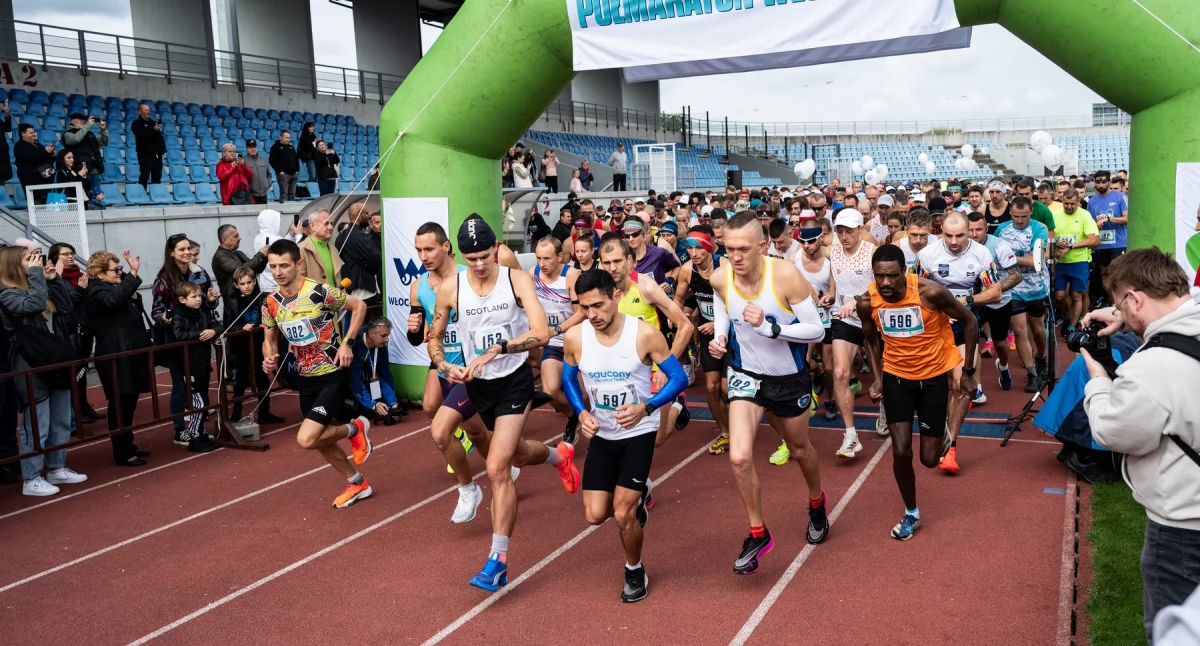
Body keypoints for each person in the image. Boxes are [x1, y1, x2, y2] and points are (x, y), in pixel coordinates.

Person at [427, 215, 579, 591]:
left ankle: (498, 561)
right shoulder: (451, 287)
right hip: (473, 379)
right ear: (461, 255)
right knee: (508, 454)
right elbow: (435, 335)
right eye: (472, 258)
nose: (479, 265)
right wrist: (445, 365)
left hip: (511, 380)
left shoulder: (516, 279)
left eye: (485, 256)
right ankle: (559, 456)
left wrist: (500, 348)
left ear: (496, 249)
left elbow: (541, 332)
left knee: (497, 468)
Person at [1078, 248, 1200, 640]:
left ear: (1135, 298)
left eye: (1120, 304)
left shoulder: (1150, 367)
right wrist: (1121, 316)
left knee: (1173, 631)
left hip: (1183, 525)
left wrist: (1097, 380)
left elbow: (1113, 432)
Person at [708, 211, 830, 574]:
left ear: (762, 246)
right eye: (729, 249)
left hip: (788, 379)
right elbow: (721, 305)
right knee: (740, 457)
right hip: (746, 376)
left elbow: (818, 331)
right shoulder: (721, 275)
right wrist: (720, 335)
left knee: (798, 449)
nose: (736, 258)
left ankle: (816, 501)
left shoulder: (786, 275)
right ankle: (757, 532)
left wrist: (771, 328)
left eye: (744, 249)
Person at [563, 268, 689, 603]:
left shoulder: (645, 335)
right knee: (593, 515)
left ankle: (634, 569)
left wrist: (646, 409)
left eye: (598, 306)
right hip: (602, 435)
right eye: (585, 307)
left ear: (617, 296)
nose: (592, 315)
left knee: (622, 515)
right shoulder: (577, 337)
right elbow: (567, 377)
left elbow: (678, 380)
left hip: (638, 432)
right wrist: (581, 413)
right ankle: (637, 506)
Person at [858, 244, 976, 540]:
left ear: (905, 272)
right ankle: (911, 512)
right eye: (879, 276)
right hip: (896, 379)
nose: (885, 283)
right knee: (899, 450)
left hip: (933, 380)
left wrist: (969, 373)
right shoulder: (867, 302)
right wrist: (876, 377)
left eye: (892, 276)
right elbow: (870, 341)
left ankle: (943, 434)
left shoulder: (930, 293)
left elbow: (970, 321)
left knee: (928, 459)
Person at [261, 239, 372, 508]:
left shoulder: (320, 292)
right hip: (305, 377)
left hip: (332, 372)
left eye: (284, 266)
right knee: (321, 440)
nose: (278, 272)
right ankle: (357, 482)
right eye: (273, 266)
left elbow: (360, 307)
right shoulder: (271, 302)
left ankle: (354, 429)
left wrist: (347, 342)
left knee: (307, 438)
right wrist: (268, 357)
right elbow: (270, 338)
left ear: (298, 264)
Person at [407, 222, 494, 523]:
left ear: (446, 247)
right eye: (419, 250)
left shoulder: (468, 277)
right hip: (443, 362)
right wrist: (414, 329)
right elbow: (419, 336)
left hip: (472, 366)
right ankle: (505, 466)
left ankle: (468, 489)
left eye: (429, 248)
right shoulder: (418, 286)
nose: (424, 255)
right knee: (474, 430)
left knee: (440, 431)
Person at [913, 212, 1002, 473]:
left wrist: (967, 302)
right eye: (948, 236)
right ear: (940, 232)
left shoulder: (981, 254)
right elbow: (912, 287)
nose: (954, 241)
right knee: (930, 385)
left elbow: (995, 292)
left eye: (960, 236)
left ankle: (951, 448)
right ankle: (938, 427)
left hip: (966, 323)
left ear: (970, 233)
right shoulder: (927, 255)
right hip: (933, 325)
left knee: (962, 384)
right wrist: (939, 308)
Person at [0, 245, 87, 496]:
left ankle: (56, 466)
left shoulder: (38, 283)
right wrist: (38, 275)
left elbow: (65, 308)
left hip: (53, 357)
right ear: (13, 266)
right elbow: (35, 304)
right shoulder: (7, 294)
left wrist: (53, 279)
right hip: (28, 363)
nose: (36, 263)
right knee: (38, 423)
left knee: (61, 418)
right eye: (29, 260)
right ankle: (30, 477)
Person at [597, 237, 694, 451]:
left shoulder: (646, 287)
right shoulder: (600, 291)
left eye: (617, 261)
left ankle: (678, 403)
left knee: (658, 439)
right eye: (606, 263)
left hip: (653, 367)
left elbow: (685, 326)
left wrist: (666, 367)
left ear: (630, 261)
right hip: (621, 368)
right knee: (621, 429)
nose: (612, 268)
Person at [152, 234, 220, 444]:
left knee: (200, 381)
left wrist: (210, 301)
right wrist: (164, 318)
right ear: (172, 253)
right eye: (181, 249)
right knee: (180, 384)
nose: (187, 252)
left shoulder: (200, 273)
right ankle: (179, 429)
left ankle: (198, 426)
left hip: (200, 337)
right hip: (176, 338)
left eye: (188, 248)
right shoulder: (163, 279)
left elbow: (209, 304)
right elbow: (156, 310)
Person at [673, 225, 732, 455]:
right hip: (708, 333)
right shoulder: (687, 270)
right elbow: (678, 298)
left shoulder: (725, 266)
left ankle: (744, 416)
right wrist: (678, 318)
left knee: (729, 388)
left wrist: (718, 323)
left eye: (699, 248)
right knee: (711, 386)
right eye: (690, 248)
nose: (694, 253)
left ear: (709, 247)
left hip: (732, 331)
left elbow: (738, 302)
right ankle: (726, 433)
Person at [829, 208, 875, 457]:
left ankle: (886, 411)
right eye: (840, 231)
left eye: (849, 231)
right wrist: (830, 294)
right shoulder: (834, 250)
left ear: (860, 229)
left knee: (885, 376)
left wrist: (856, 301)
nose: (844, 236)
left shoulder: (871, 253)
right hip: (845, 320)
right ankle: (850, 435)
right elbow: (835, 277)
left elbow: (881, 287)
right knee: (839, 374)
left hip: (872, 319)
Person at [529, 236, 583, 442]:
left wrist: (558, 329)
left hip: (577, 343)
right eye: (538, 258)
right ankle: (574, 415)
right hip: (552, 344)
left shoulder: (571, 275)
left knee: (586, 395)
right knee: (550, 391)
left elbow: (582, 313)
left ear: (560, 257)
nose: (542, 264)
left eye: (547, 259)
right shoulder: (532, 275)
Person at [996, 196, 1051, 393]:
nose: (1019, 220)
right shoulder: (1001, 229)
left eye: (1024, 217)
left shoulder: (1039, 228)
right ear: (1010, 212)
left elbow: (1038, 260)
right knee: (1019, 330)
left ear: (1031, 213)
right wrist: (1021, 259)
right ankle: (1032, 373)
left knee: (1037, 330)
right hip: (1014, 288)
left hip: (1036, 286)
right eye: (1016, 216)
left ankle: (1041, 357)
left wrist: (1010, 258)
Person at [966, 212, 1022, 394]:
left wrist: (993, 291)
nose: (974, 234)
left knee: (1000, 343)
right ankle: (977, 387)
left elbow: (1016, 276)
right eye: (970, 230)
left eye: (978, 230)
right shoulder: (960, 246)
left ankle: (1003, 367)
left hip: (999, 301)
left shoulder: (1000, 246)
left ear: (986, 228)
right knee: (972, 341)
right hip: (974, 302)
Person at [170, 282, 221, 452]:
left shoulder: (202, 313)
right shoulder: (178, 315)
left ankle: (201, 433)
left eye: (200, 296)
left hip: (203, 362)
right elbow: (178, 335)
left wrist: (213, 332)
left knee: (205, 401)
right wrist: (200, 335)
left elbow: (218, 324)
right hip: (189, 364)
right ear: (182, 299)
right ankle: (195, 436)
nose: (199, 299)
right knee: (198, 402)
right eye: (194, 297)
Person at [224, 266, 277, 424]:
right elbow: (228, 324)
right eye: (242, 283)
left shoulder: (263, 298)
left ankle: (264, 413)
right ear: (236, 285)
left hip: (260, 344)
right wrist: (241, 327)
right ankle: (236, 413)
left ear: (255, 281)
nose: (247, 286)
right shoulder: (232, 301)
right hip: (241, 347)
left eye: (249, 282)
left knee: (262, 379)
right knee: (240, 380)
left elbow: (271, 317)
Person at [1053, 188, 1101, 334]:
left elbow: (1094, 240)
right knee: (1059, 296)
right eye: (1066, 203)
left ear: (1078, 202)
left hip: (1079, 261)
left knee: (1076, 295)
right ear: (1062, 201)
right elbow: (1046, 236)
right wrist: (1055, 242)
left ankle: (1073, 326)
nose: (1068, 206)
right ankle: (1068, 316)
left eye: (1072, 204)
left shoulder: (1085, 216)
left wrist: (1071, 246)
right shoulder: (1054, 216)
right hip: (1060, 262)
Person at [348, 316, 404, 423]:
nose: (387, 340)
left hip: (366, 383)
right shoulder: (354, 345)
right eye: (383, 336)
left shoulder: (381, 348)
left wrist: (393, 404)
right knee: (364, 412)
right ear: (371, 333)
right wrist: (372, 404)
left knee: (384, 408)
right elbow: (354, 380)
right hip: (349, 385)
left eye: (388, 336)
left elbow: (385, 376)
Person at [1087, 170, 1129, 308]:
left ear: (1109, 182)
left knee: (1118, 275)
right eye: (1098, 182)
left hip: (1118, 243)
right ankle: (1113, 304)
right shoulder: (1092, 201)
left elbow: (1127, 218)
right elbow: (1089, 225)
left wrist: (1109, 219)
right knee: (1105, 275)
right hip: (1101, 245)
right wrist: (1095, 225)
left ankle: (1122, 305)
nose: (1100, 184)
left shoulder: (1119, 197)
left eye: (1103, 181)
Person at [61, 113, 107, 194]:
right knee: (82, 195)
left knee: (96, 197)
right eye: (80, 119)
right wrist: (87, 125)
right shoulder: (68, 133)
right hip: (80, 170)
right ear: (73, 121)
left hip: (95, 170)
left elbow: (104, 142)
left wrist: (103, 130)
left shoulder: (89, 133)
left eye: (84, 120)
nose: (83, 121)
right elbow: (75, 139)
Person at [298, 210, 343, 288]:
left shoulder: (333, 249)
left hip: (336, 299)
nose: (330, 227)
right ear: (312, 226)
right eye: (326, 223)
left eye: (331, 223)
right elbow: (297, 282)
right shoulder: (301, 249)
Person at [13, 123, 56, 200]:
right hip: (32, 180)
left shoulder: (37, 144)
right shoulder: (19, 145)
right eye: (31, 133)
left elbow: (44, 158)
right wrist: (46, 152)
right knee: (36, 201)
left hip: (45, 179)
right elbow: (30, 158)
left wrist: (51, 155)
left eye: (34, 132)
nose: (34, 134)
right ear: (23, 134)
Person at [129, 103, 165, 189]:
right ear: (139, 112)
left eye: (149, 110)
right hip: (144, 153)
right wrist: (153, 130)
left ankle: (157, 194)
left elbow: (158, 138)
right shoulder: (136, 123)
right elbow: (141, 135)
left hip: (156, 154)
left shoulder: (153, 123)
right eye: (146, 110)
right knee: (145, 174)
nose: (148, 112)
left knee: (157, 174)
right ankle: (141, 193)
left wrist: (162, 150)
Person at [269, 130, 299, 202]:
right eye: (286, 137)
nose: (288, 139)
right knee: (284, 194)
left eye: (289, 138)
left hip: (294, 174)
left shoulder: (291, 147)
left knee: (292, 194)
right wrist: (279, 171)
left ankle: (291, 210)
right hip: (283, 174)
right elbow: (272, 161)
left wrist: (297, 170)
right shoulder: (275, 147)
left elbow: (296, 159)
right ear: (281, 137)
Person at [243, 139, 272, 204]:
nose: (253, 149)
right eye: (250, 147)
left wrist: (268, 184)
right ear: (246, 149)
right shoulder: (243, 161)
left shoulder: (263, 159)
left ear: (257, 148)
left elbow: (269, 174)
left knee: (264, 213)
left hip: (264, 193)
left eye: (254, 147)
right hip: (251, 194)